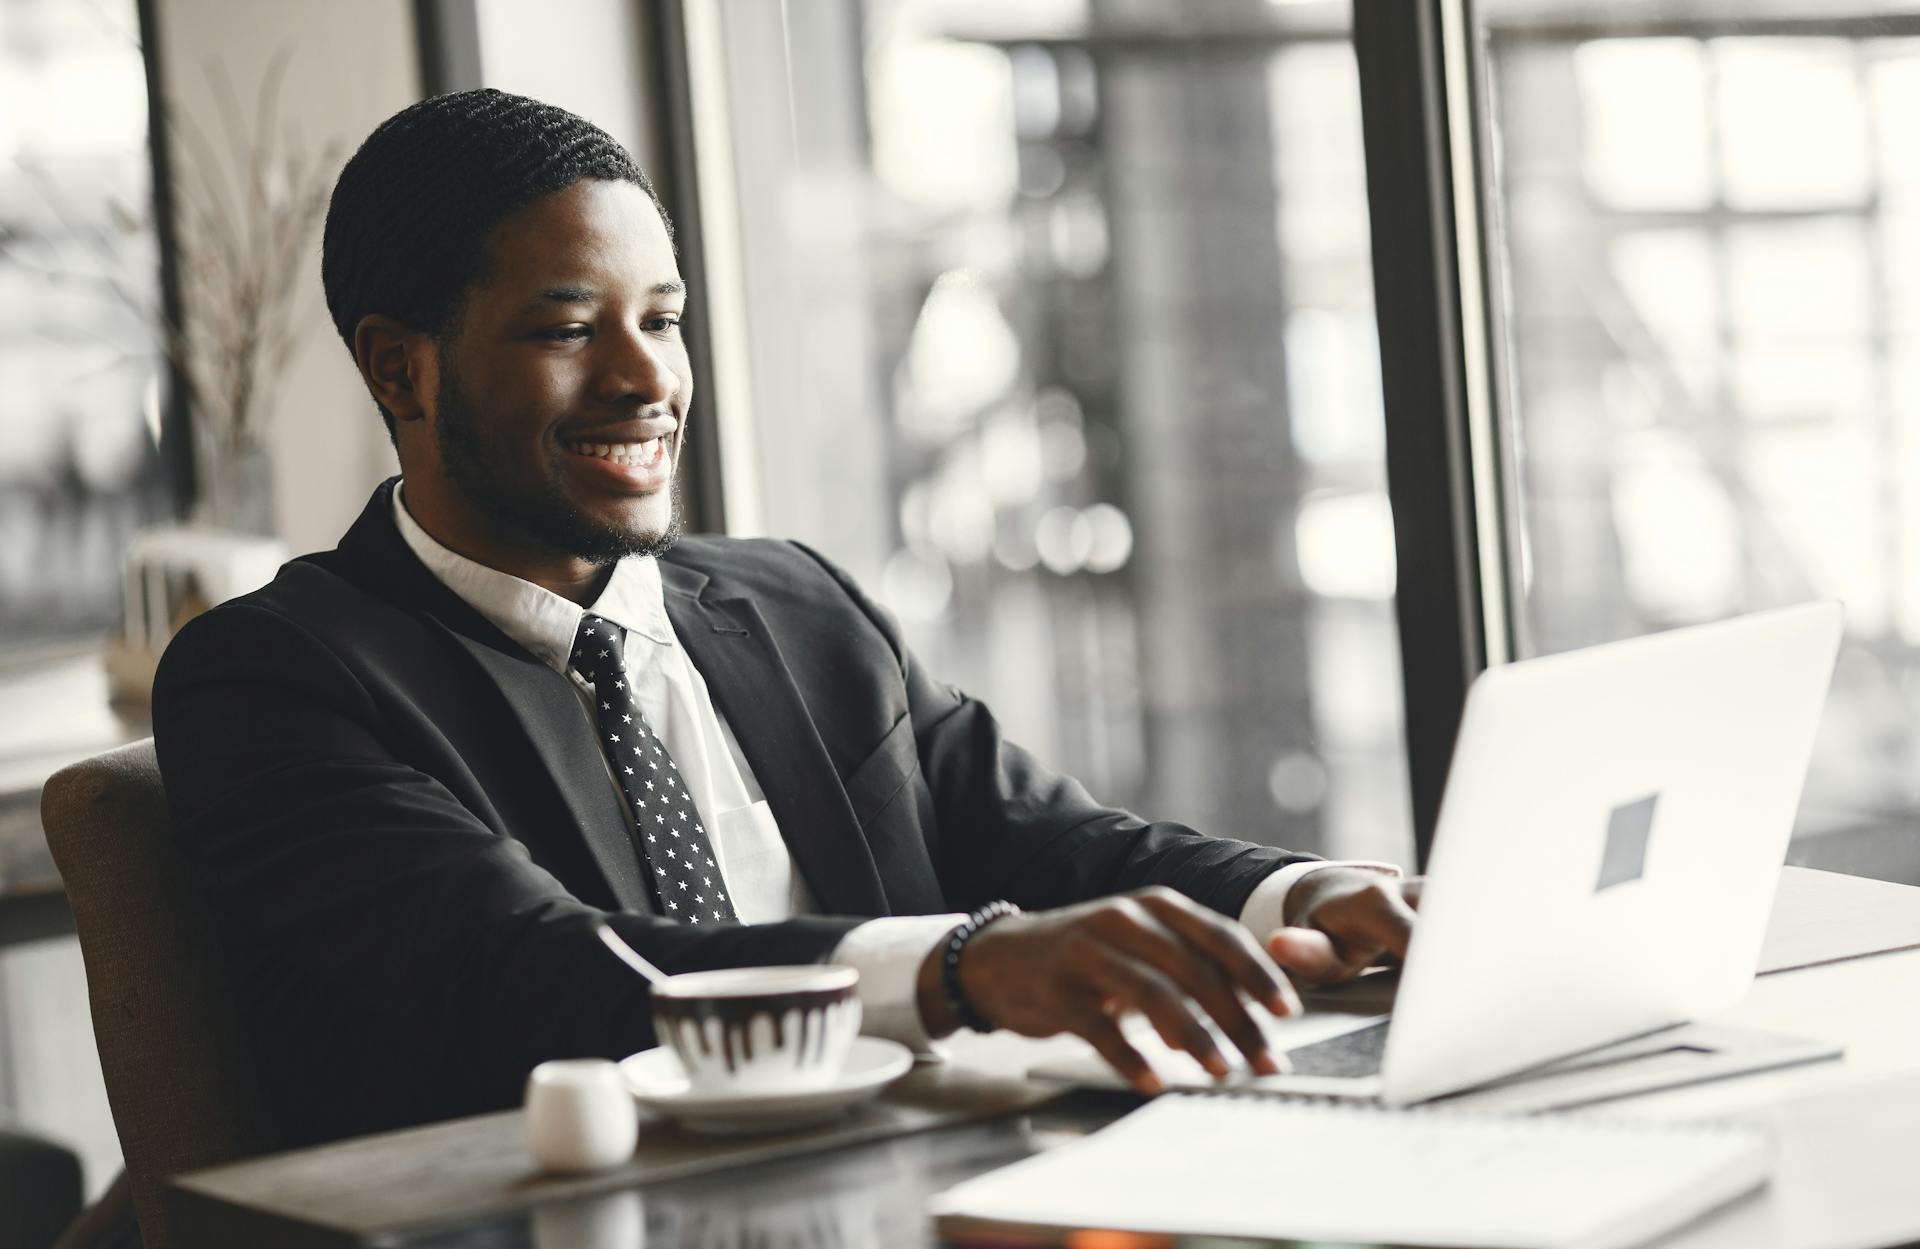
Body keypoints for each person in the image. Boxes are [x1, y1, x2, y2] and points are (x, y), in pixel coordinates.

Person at [152, 89, 1421, 1147]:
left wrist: (1300, 894)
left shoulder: (796, 602)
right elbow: (538, 972)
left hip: (933, 1192)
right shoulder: (274, 678)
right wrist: (966, 968)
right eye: (568, 328)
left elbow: (1054, 844)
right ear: (401, 366)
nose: (647, 377)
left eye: (662, 319)